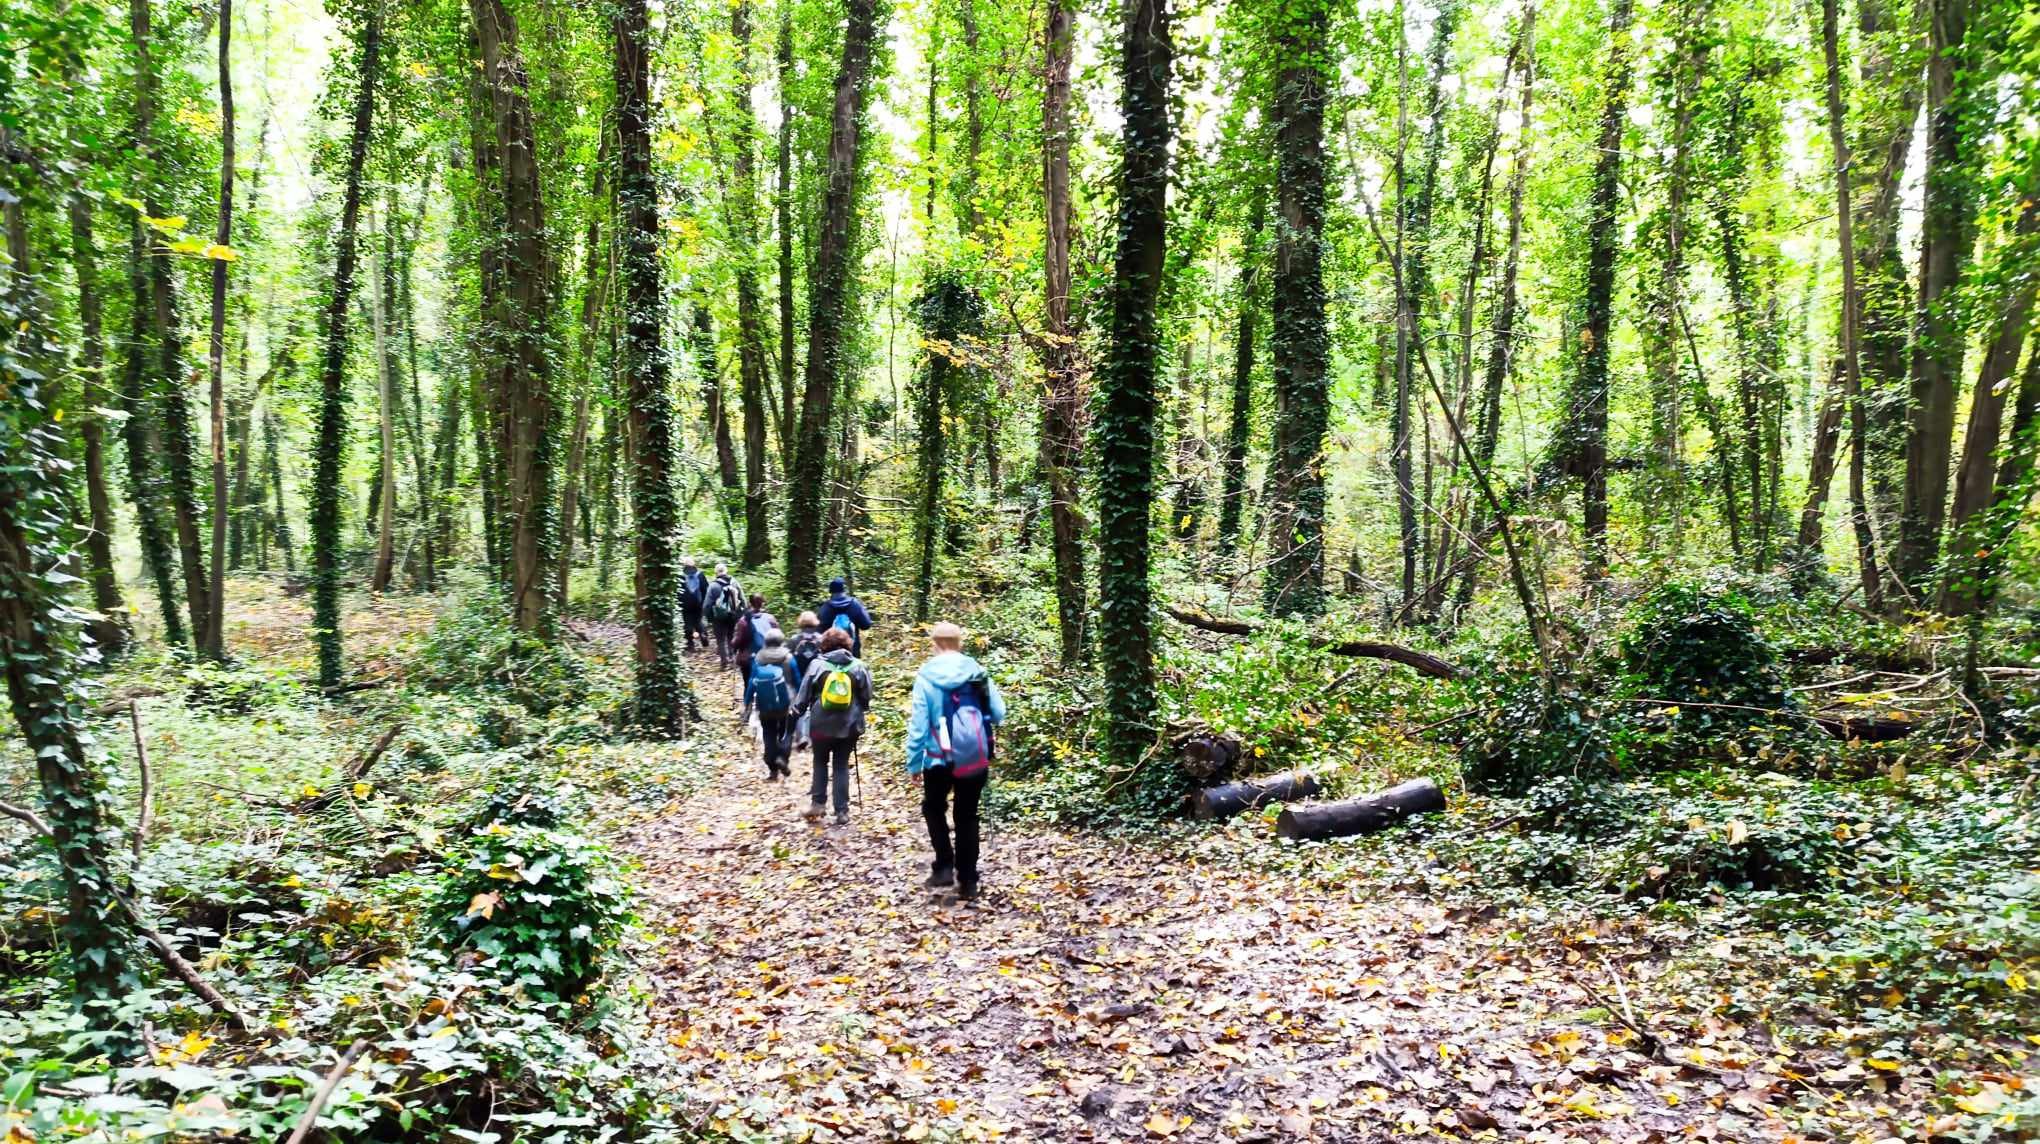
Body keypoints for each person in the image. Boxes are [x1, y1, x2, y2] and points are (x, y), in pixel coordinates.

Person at [906, 621, 1006, 901]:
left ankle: (944, 867)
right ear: (960, 643)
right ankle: (969, 880)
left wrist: (914, 763)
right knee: (967, 815)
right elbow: (999, 713)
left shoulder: (926, 676)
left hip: (938, 760)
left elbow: (918, 725)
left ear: (934, 644)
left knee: (934, 808)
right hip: (974, 757)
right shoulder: (978, 672)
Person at [791, 626, 871, 826]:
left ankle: (818, 805)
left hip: (820, 724)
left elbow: (804, 695)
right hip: (849, 723)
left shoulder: (817, 665)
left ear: (824, 645)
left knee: (820, 762)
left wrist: (797, 712)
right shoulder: (859, 666)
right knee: (841, 765)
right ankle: (842, 811)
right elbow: (866, 697)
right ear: (847, 644)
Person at [749, 630, 796, 780]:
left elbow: (752, 681)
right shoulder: (788, 658)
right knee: (786, 732)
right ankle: (782, 757)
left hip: (764, 703)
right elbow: (797, 679)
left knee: (769, 733)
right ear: (781, 640)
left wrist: (747, 701)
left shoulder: (758, 658)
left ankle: (772, 770)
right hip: (786, 702)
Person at [733, 595, 778, 720]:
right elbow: (778, 636)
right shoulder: (770, 619)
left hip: (748, 658)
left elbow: (738, 640)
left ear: (750, 603)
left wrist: (734, 646)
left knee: (748, 682)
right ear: (762, 603)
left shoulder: (744, 620)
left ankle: (747, 710)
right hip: (769, 656)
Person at [814, 577, 874, 656]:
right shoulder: (855, 604)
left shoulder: (826, 607)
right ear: (844, 589)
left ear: (830, 591)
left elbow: (818, 631)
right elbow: (866, 625)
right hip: (852, 652)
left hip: (830, 653)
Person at [703, 563, 743, 668]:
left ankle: (724, 661)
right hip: (733, 615)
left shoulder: (713, 586)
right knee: (731, 636)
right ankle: (732, 658)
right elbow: (743, 600)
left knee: (720, 639)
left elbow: (707, 605)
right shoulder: (735, 583)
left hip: (718, 617)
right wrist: (740, 614)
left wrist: (710, 618)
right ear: (726, 571)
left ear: (716, 573)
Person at [680, 560, 708, 651]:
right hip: (698, 603)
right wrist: (704, 602)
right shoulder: (700, 575)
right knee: (698, 620)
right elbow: (705, 589)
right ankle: (703, 634)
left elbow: (678, 591)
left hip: (685, 604)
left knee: (688, 623)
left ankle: (690, 644)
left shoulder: (681, 575)